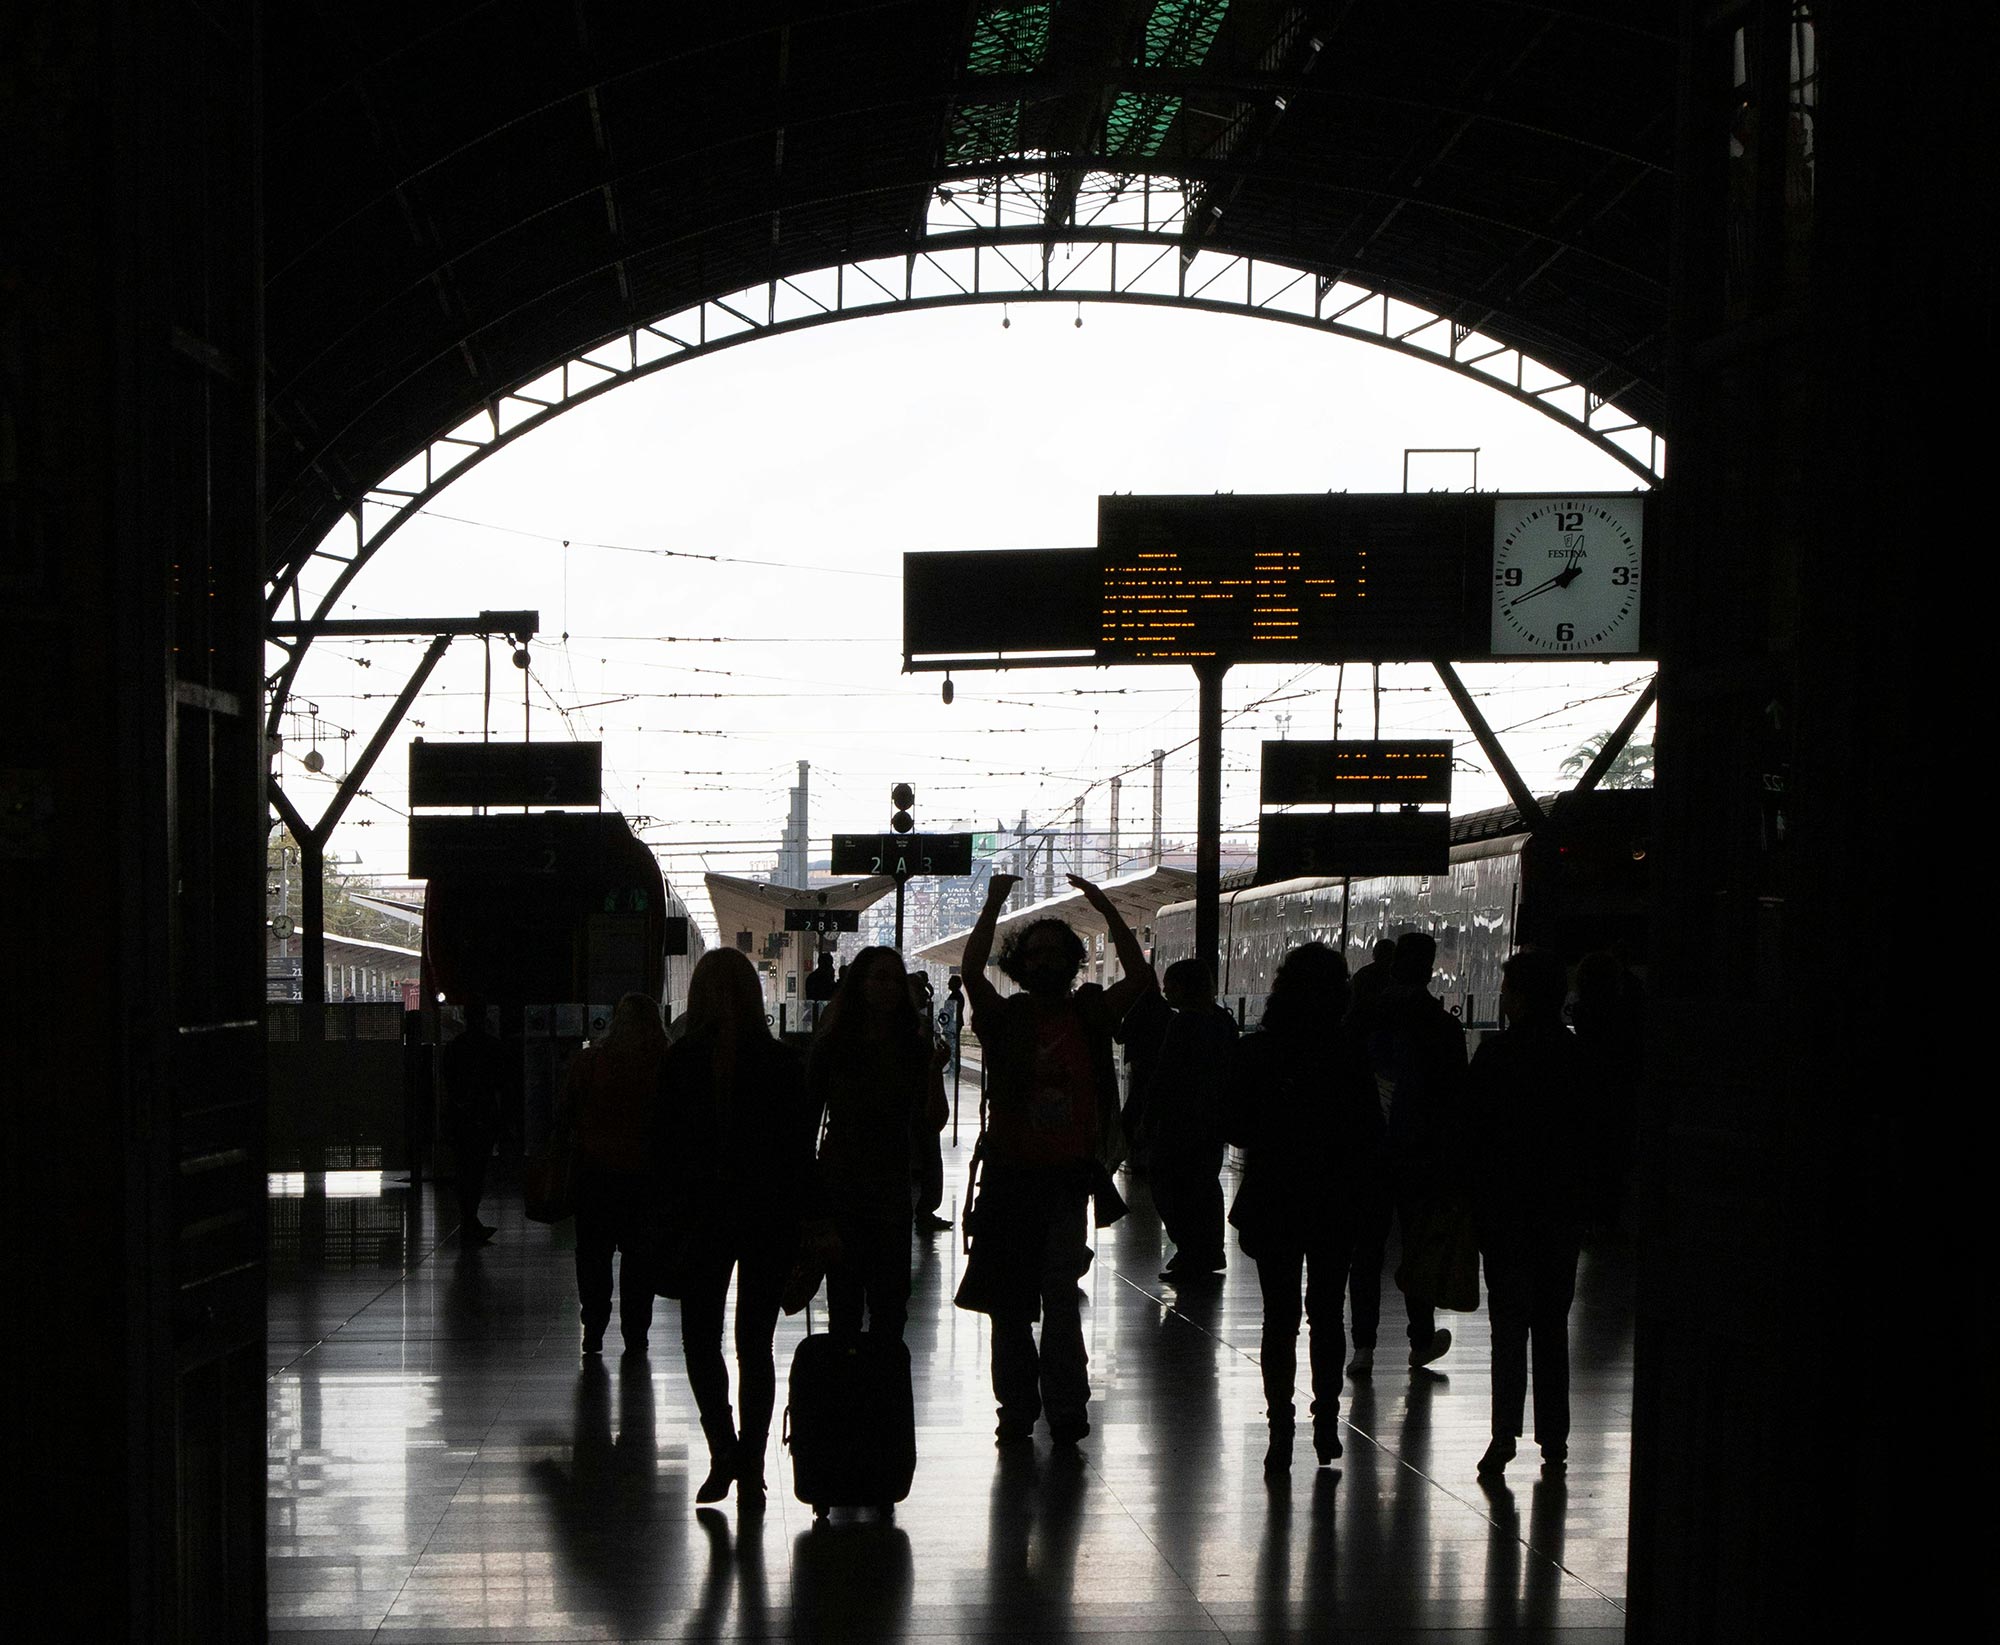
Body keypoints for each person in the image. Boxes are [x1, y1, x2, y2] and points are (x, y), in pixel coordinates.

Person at [956, 873, 1156, 1447]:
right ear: (1021, 964)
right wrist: (994, 902)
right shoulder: (1005, 1017)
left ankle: (1062, 1404)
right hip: (1011, 1177)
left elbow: (1140, 976)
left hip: (1067, 1180)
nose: (1045, 960)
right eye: (1035, 952)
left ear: (1072, 963)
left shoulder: (1091, 1014)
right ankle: (1018, 1407)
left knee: (1059, 1298)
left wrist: (1105, 908)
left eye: (1055, 951)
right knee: (1012, 1305)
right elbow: (972, 972)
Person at [658, 948, 812, 1510]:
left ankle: (727, 1451)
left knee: (701, 1339)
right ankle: (746, 1459)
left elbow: (664, 1153)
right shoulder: (783, 1063)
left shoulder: (680, 1063)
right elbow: (798, 1156)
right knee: (755, 1344)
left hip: (702, 1219)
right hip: (767, 1217)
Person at [1225, 943, 1383, 1478]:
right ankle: (1326, 1419)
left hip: (1275, 1199)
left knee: (1279, 1318)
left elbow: (1237, 1128)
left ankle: (1279, 1429)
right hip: (1335, 1200)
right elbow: (1370, 1135)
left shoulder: (1258, 1052)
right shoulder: (1349, 1052)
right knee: (1326, 1313)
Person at [1469, 948, 1592, 1478]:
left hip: (1505, 1212)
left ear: (1516, 997)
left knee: (1508, 1325)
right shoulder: (1577, 1056)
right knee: (1552, 1324)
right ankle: (1555, 1441)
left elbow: (1471, 1131)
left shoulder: (1495, 1057)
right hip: (1560, 1209)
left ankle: (1503, 1437)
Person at [806, 947, 946, 1339]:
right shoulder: (833, 1047)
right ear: (860, 986)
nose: (888, 988)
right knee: (848, 1306)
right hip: (845, 1187)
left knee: (888, 1306)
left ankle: (874, 1392)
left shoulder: (914, 1049)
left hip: (889, 1188)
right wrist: (814, 1211)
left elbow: (932, 1122)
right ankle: (859, 1392)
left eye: (893, 979)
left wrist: (935, 1073)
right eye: (879, 978)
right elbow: (806, 1123)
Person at [1349, 930, 1467, 1373]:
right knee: (1418, 1249)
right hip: (1421, 1155)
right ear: (1430, 968)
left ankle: (1363, 1345)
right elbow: (1457, 1098)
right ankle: (1420, 1339)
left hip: (1369, 1151)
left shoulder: (1364, 1017)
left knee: (1366, 1251)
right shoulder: (1443, 1026)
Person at [559, 993, 671, 1355]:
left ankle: (593, 1326)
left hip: (595, 1176)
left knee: (593, 1256)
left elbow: (565, 1114)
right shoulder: (666, 1066)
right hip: (647, 1179)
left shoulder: (590, 1062)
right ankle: (636, 1333)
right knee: (641, 1260)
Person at [1120, 958, 1238, 1283]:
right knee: (1204, 1185)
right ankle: (1208, 1250)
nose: (1166, 991)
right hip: (1211, 1122)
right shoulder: (1222, 1021)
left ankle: (1190, 1250)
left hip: (1179, 1122)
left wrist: (1148, 1118)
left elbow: (1165, 1075)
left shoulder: (1182, 1024)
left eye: (1171, 984)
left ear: (1185, 988)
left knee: (1168, 1185)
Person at [438, 999, 505, 1244]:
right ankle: (470, 1220)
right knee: (477, 1171)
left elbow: (449, 1082)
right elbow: (500, 1083)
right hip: (483, 1117)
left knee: (463, 1170)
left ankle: (468, 1219)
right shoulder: (492, 1047)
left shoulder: (455, 1047)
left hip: (460, 1118)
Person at [905, 973, 955, 1232]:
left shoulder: (910, 1026)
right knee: (929, 1157)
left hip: (918, 1099)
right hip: (921, 1100)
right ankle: (925, 1210)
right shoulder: (914, 1027)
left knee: (926, 1157)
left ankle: (924, 1210)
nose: (925, 996)